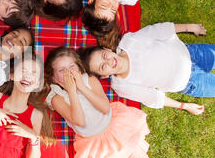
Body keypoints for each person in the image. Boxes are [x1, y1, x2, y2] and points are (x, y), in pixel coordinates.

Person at [43, 46, 193, 158]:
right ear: (54, 78)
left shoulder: (90, 80)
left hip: (118, 130)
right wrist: (71, 91)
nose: (69, 73)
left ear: (79, 67)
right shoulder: (56, 98)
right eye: (62, 71)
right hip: (96, 146)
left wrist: (82, 88)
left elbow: (105, 108)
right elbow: (79, 120)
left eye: (72, 67)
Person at [79, 22, 213, 115]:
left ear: (107, 49)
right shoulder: (122, 86)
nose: (108, 61)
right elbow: (154, 98)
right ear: (104, 76)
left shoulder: (129, 41)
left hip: (192, 53)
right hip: (191, 83)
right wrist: (185, 106)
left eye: (104, 56)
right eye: (103, 67)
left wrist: (190, 27)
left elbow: (160, 30)